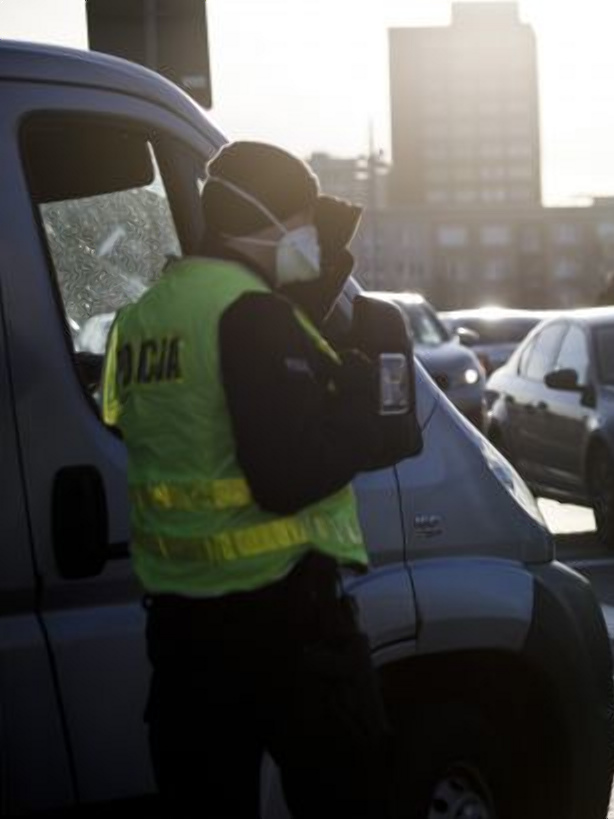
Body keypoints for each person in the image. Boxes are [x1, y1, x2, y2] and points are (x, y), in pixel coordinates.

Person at [102, 142, 396, 818]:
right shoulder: (251, 314)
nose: (307, 236)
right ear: (269, 219)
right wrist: (356, 412)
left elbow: (139, 421)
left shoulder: (141, 319)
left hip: (183, 635)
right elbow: (287, 475)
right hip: (285, 623)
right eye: (300, 219)